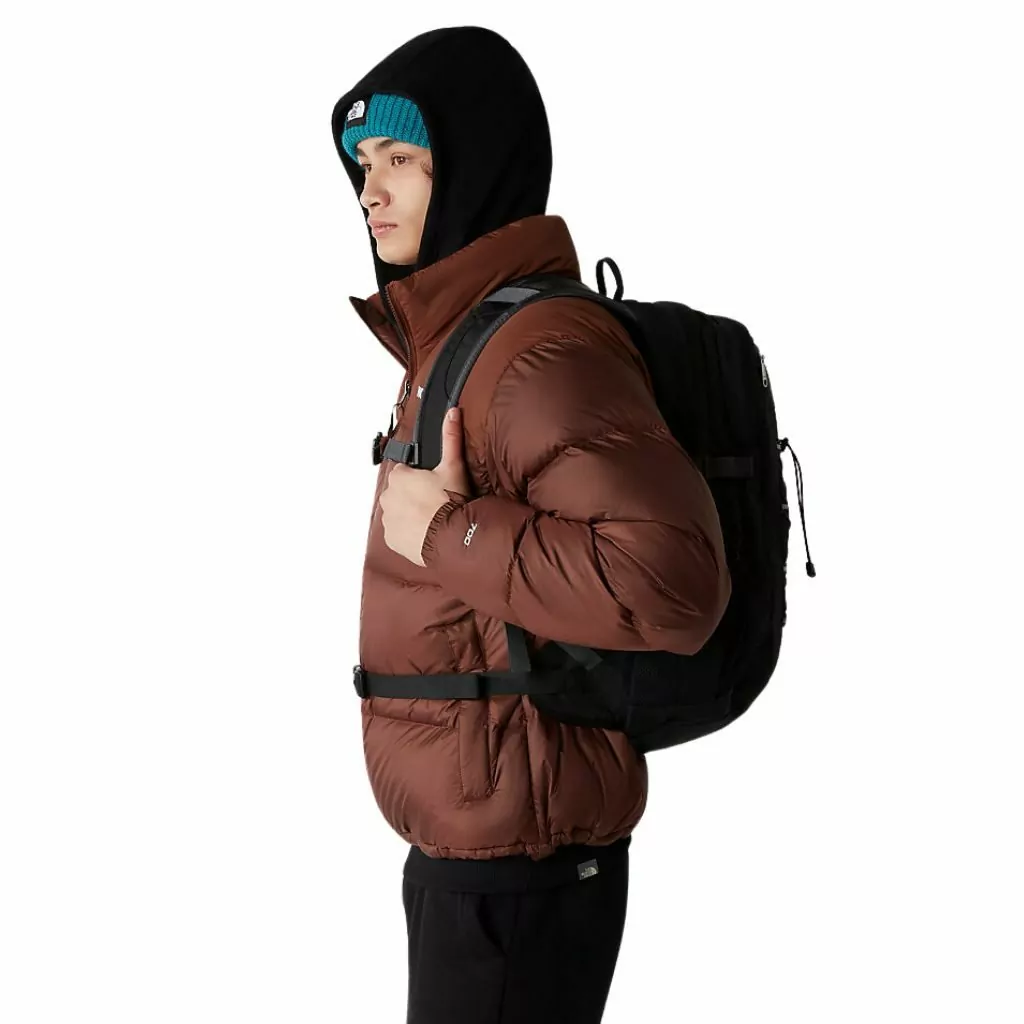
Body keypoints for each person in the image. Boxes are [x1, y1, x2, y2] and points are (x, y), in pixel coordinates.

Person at [331, 26, 731, 1024]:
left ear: (473, 168)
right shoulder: (463, 337)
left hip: (522, 864)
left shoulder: (539, 348)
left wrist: (447, 533)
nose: (371, 192)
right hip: (484, 852)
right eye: (363, 164)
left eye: (403, 160)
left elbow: (671, 581)